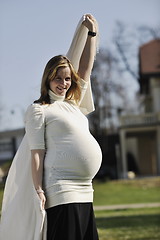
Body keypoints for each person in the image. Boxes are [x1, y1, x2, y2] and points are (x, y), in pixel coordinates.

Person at [0, 14, 102, 240]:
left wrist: (91, 35)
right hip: (61, 189)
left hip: (85, 190)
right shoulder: (39, 110)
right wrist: (38, 190)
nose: (63, 83)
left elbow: (85, 71)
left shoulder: (73, 103)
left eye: (67, 79)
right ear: (47, 79)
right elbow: (37, 153)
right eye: (58, 78)